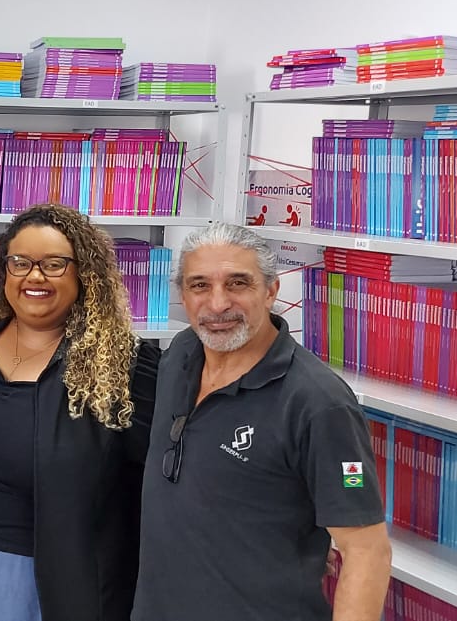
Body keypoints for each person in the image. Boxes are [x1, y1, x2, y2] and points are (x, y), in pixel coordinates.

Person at [0, 203, 161, 621]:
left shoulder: (124, 367)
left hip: (40, 577)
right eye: (20, 263)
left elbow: (154, 486)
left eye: (54, 264)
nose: (34, 276)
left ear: (84, 274)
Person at [133, 222, 390, 621]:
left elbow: (366, 551)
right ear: (182, 294)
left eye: (238, 283)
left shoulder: (319, 404)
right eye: (200, 285)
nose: (218, 304)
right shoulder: (181, 353)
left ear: (271, 291)